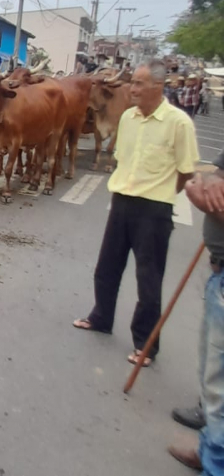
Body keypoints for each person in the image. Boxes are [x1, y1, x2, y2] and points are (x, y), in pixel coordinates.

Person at [72, 60, 199, 365]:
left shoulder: (178, 123)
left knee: (149, 279)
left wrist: (161, 193)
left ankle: (145, 345)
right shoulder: (127, 118)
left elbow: (185, 171)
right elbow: (122, 158)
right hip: (121, 200)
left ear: (158, 86)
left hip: (155, 209)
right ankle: (101, 317)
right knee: (107, 266)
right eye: (133, 83)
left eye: (139, 84)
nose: (132, 89)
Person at [167, 163, 224, 472]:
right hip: (218, 274)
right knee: (211, 375)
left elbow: (203, 191)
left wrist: (206, 197)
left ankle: (216, 465)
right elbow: (206, 177)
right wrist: (208, 182)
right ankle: (210, 449)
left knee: (219, 384)